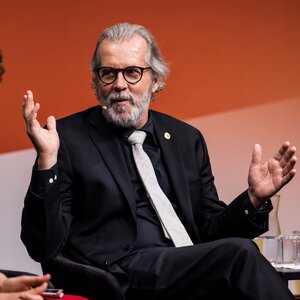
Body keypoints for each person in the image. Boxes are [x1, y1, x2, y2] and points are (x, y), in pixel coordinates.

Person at [21, 22, 297, 300]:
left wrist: (252, 199)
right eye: (108, 73)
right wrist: (46, 161)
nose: (119, 85)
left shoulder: (186, 139)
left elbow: (210, 230)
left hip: (185, 266)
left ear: (155, 80)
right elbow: (42, 246)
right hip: (119, 274)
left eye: (132, 72)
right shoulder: (68, 139)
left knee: (239, 260)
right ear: (96, 83)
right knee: (240, 256)